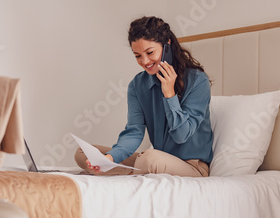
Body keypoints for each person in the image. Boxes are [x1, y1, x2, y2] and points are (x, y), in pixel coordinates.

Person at [75, 16, 213, 177]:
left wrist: (169, 94)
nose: (144, 61)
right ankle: (129, 172)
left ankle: (128, 173)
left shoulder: (197, 81)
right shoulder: (138, 85)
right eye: (137, 55)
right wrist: (110, 158)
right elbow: (134, 131)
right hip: (157, 160)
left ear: (167, 46)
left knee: (147, 159)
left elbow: (181, 135)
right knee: (84, 153)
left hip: (191, 166)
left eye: (150, 52)